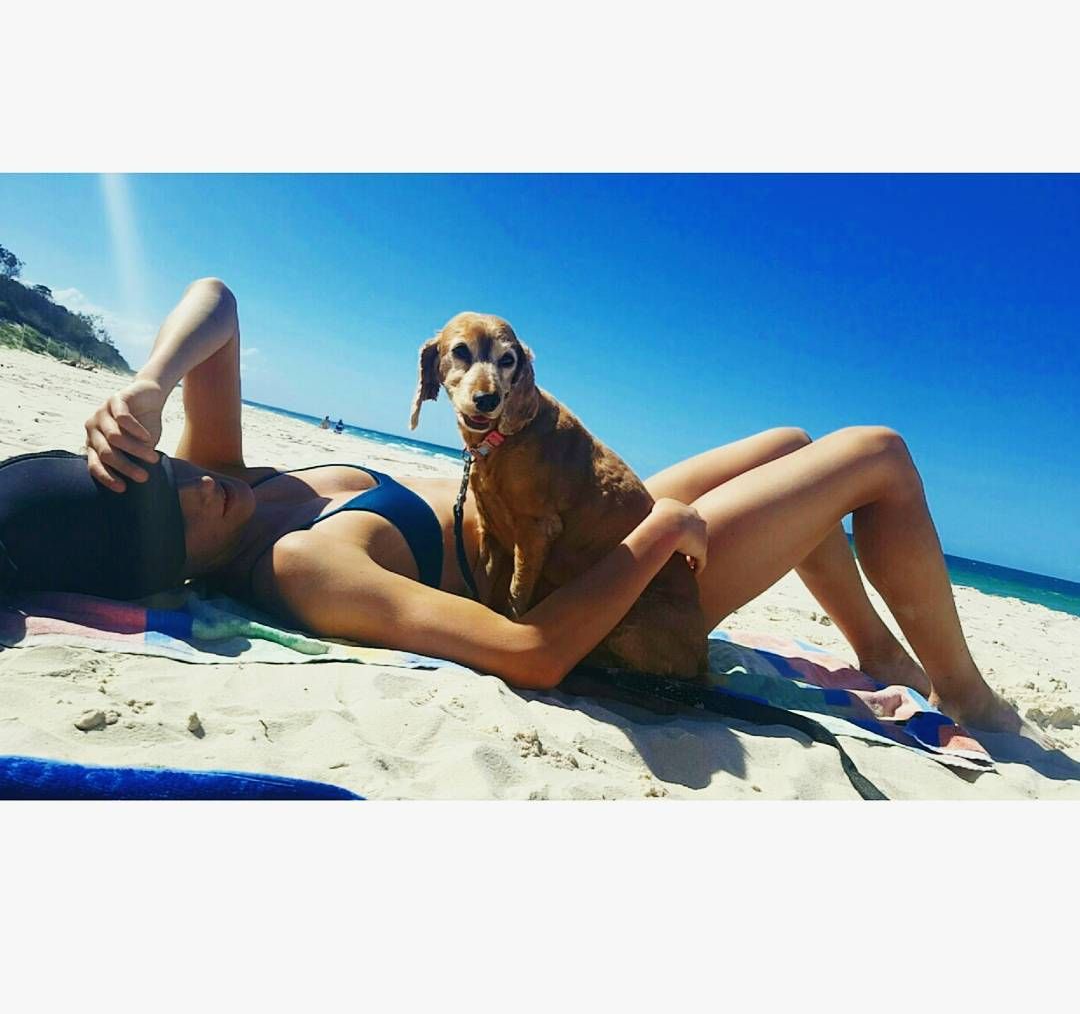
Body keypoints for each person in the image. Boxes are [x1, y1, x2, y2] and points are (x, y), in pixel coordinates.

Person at [5, 278, 1025, 733]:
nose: (207, 484)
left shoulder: (217, 480)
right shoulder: (303, 567)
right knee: (878, 456)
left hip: (557, 506)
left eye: (174, 469)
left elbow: (218, 301)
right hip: (597, 586)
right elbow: (531, 653)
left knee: (793, 445)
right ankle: (968, 695)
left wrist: (149, 387)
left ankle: (880, 652)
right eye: (184, 507)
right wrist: (659, 537)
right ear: (164, 567)